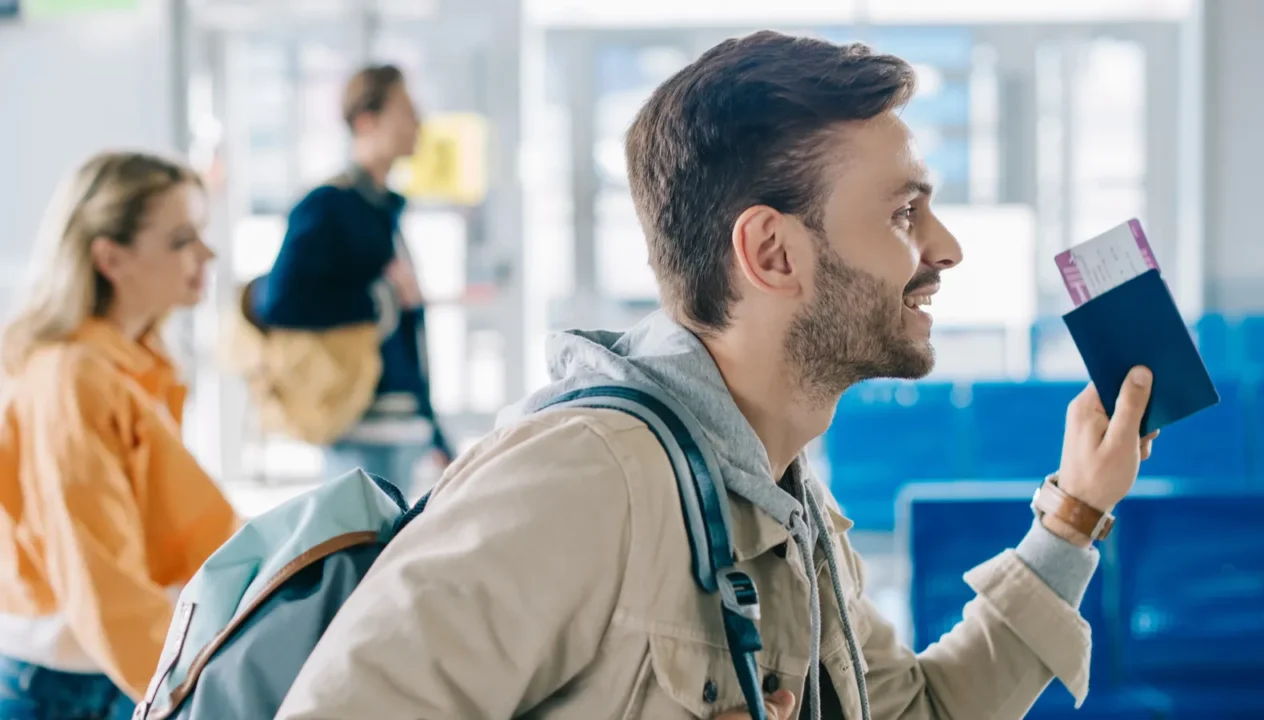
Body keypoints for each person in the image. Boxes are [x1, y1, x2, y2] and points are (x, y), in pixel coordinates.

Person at [277, 31, 1157, 720]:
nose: (945, 248)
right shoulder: (583, 480)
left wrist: (1075, 514)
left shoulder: (778, 495)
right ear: (771, 252)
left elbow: (918, 712)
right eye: (902, 213)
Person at [0, 151, 240, 718]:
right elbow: (101, 581)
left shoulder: (134, 362)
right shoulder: (73, 377)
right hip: (71, 685)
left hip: (107, 669)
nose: (206, 254)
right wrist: (203, 690)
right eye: (181, 239)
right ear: (110, 258)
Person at [247, 64, 451, 500]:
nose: (418, 124)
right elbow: (279, 301)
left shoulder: (382, 208)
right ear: (365, 120)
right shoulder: (329, 205)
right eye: (406, 111)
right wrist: (380, 300)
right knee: (364, 541)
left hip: (402, 420)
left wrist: (434, 429)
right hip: (361, 421)